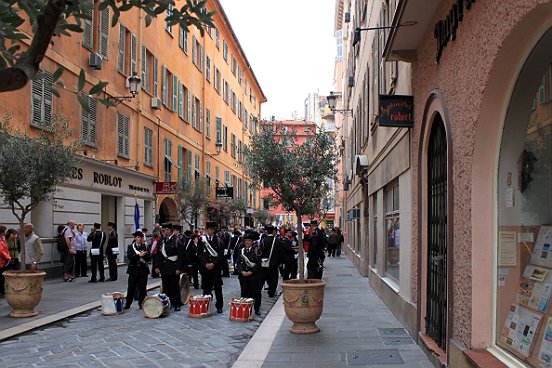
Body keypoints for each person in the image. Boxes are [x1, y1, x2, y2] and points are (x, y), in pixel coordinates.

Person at [153, 223, 185, 311]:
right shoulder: (161, 241)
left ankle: (177, 303)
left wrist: (179, 268)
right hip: (164, 267)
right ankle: (167, 302)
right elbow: (158, 255)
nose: (163, 232)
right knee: (165, 286)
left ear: (170, 230)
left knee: (174, 286)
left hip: (173, 266)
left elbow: (181, 255)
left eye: (165, 230)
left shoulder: (177, 240)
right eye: (163, 230)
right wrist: (156, 266)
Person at [197, 221, 224, 313]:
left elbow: (221, 255)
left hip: (215, 268)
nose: (212, 231)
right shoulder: (201, 240)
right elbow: (199, 254)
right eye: (210, 229)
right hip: (205, 268)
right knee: (206, 287)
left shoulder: (219, 241)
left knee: (218, 288)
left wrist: (213, 264)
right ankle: (206, 305)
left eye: (213, 229)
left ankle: (219, 306)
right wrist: (205, 264)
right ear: (206, 229)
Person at [236, 231, 262, 316]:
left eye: (249, 240)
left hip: (254, 276)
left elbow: (258, 263)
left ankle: (257, 308)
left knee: (256, 293)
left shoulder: (256, 250)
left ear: (252, 241)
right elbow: (238, 263)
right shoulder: (241, 251)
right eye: (245, 240)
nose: (247, 242)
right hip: (243, 276)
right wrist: (242, 271)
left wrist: (251, 271)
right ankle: (245, 308)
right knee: (244, 292)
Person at [124, 230, 151, 310]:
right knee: (131, 288)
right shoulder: (130, 247)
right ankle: (128, 303)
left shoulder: (145, 246)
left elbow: (149, 258)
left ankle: (141, 303)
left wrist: (144, 255)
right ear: (135, 238)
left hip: (143, 270)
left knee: (142, 288)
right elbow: (130, 257)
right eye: (138, 237)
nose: (139, 239)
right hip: (133, 270)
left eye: (141, 237)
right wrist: (139, 255)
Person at [260, 224, 282, 297]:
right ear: (273, 231)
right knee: (274, 278)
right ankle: (272, 291)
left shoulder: (263, 240)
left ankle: (268, 287)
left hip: (265, 262)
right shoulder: (277, 241)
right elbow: (280, 252)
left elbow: (261, 251)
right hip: (275, 262)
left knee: (267, 276)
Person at [0, 226, 11, 296]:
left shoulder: (3, 239)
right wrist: (8, 258)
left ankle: (2, 290)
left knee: (2, 277)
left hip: (4, 261)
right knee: (1, 277)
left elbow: (6, 250)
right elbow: (1, 251)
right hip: (1, 261)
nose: (5, 233)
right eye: (4, 231)